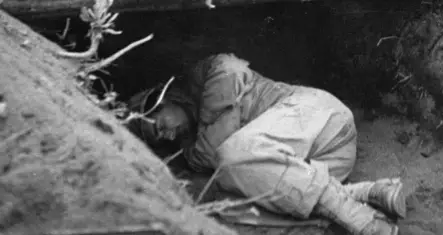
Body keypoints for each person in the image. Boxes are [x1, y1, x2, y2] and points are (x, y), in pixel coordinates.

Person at [128, 53, 405, 235]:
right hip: (316, 167)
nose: (168, 136)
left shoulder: (202, 78)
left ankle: (362, 222)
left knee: (231, 155)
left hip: (319, 120)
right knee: (227, 215)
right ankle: (363, 194)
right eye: (161, 139)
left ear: (164, 100)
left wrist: (211, 133)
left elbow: (230, 68)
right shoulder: (192, 151)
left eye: (161, 125)